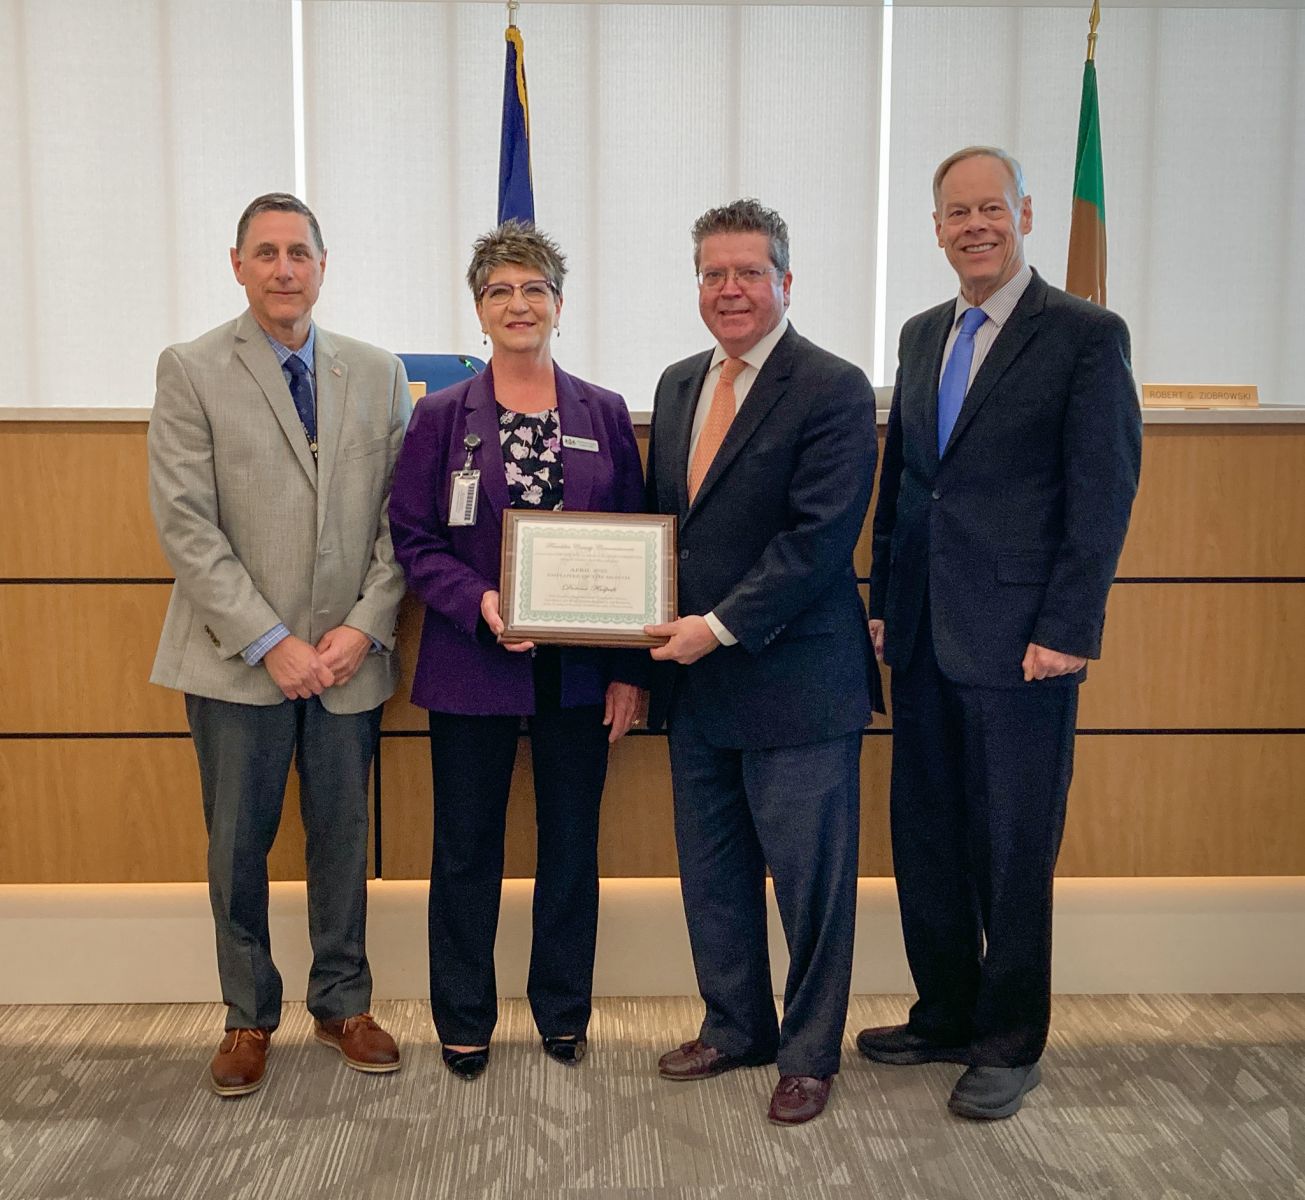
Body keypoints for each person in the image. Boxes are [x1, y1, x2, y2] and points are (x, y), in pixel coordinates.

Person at [856, 147, 1141, 1119]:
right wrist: (886, 597)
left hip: (1025, 642)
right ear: (935, 227)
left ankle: (1010, 1038)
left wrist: (1069, 626)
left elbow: (1103, 494)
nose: (974, 225)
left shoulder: (1086, 336)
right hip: (927, 635)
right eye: (955, 212)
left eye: (991, 208)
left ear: (1022, 213)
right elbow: (905, 479)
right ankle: (945, 1013)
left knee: (1014, 848)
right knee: (926, 837)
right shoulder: (920, 332)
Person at [148, 193, 411, 1096]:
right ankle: (247, 1014)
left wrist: (360, 627)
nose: (283, 268)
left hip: (346, 660)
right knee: (237, 847)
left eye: (299, 251)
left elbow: (399, 521)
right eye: (265, 252)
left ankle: (343, 1002)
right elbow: (186, 525)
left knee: (342, 840)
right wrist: (270, 641)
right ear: (237, 265)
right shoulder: (189, 369)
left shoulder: (376, 374)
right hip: (235, 660)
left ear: (324, 266)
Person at [388, 221, 646, 1081]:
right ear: (478, 310)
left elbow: (638, 551)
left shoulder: (603, 412)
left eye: (533, 288)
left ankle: (562, 1010)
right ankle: (462, 1017)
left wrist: (624, 671)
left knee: (571, 845)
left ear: (560, 306)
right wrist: (482, 603)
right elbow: (414, 539)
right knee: (466, 848)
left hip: (577, 673)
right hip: (472, 664)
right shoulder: (437, 417)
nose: (518, 303)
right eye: (499, 290)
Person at [643, 199, 879, 1126]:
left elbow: (817, 542)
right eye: (712, 274)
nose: (729, 289)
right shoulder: (674, 384)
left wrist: (717, 626)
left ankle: (809, 1051)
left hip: (793, 678)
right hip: (695, 685)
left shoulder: (832, 385)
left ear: (786, 281)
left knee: (811, 882)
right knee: (712, 873)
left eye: (747, 272)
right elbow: (670, 532)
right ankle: (735, 1023)